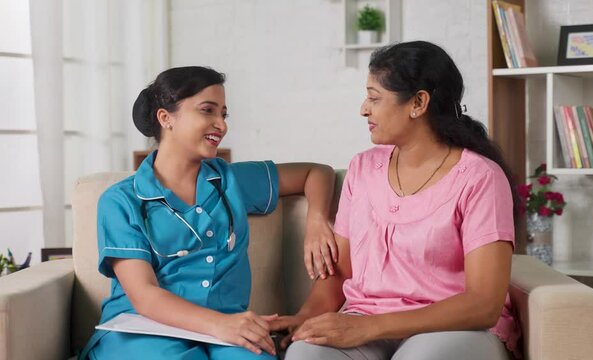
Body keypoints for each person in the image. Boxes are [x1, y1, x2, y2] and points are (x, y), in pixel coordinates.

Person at [271, 41, 521, 360]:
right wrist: (307, 319)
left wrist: (371, 327)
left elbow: (483, 304)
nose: (364, 108)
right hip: (364, 321)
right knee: (307, 355)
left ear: (418, 103)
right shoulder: (362, 168)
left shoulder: (480, 177)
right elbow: (340, 271)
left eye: (375, 98)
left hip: (453, 328)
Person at [79, 66, 336, 360]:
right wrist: (221, 325)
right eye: (207, 111)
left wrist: (316, 221)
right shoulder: (121, 201)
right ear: (166, 118)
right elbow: (145, 296)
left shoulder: (231, 181)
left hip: (226, 331)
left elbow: (316, 173)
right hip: (143, 330)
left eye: (223, 114)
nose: (221, 125)